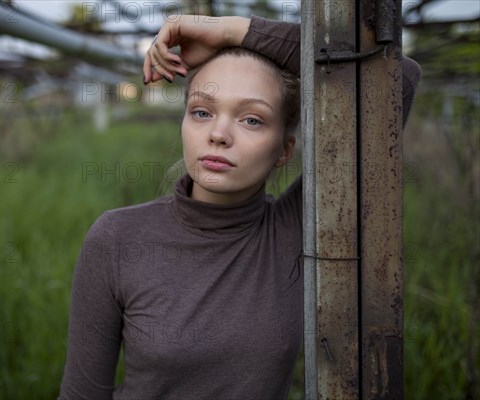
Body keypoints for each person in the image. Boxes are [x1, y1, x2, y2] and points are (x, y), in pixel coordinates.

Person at [59, 15, 421, 400]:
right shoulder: (117, 238)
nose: (218, 134)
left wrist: (233, 31)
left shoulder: (298, 230)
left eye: (251, 119)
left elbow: (393, 82)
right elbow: (82, 394)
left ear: (284, 150)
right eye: (202, 112)